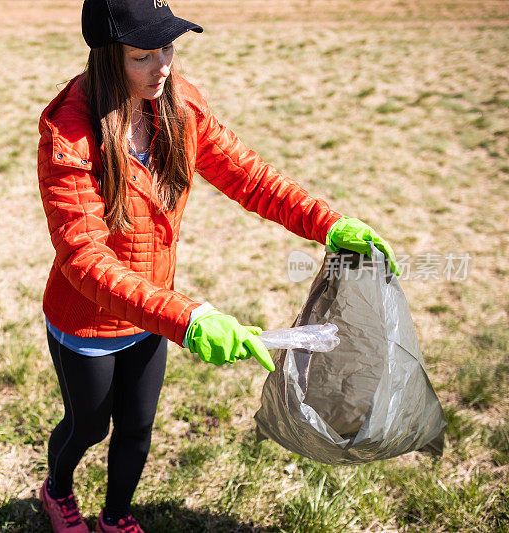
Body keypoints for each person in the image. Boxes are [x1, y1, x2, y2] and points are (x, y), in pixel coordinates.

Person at [35, 1, 399, 532]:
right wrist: (189, 318)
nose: (163, 65)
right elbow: (84, 257)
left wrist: (329, 224)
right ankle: (58, 490)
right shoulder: (68, 132)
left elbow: (248, 177)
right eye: (143, 55)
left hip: (153, 314)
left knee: (137, 428)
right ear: (108, 58)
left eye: (168, 47)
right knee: (88, 427)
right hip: (87, 322)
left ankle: (115, 518)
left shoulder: (178, 105)